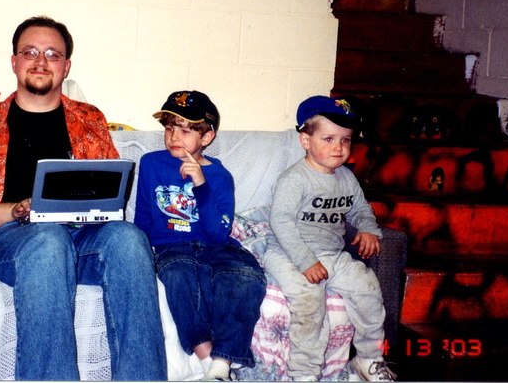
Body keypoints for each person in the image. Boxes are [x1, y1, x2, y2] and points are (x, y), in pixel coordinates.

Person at [0, 15, 167, 381]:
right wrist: (15, 211)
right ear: (14, 62)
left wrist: (90, 212)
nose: (41, 61)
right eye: (30, 52)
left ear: (65, 67)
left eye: (52, 54)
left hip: (78, 237)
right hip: (1, 242)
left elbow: (112, 199)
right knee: (47, 239)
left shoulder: (90, 120)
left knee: (128, 237)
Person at [134, 90, 266, 381]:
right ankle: (211, 363)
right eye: (169, 128)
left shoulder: (220, 176)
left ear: (206, 137)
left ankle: (223, 361)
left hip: (217, 247)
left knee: (245, 277)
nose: (173, 136)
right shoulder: (151, 163)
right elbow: (143, 216)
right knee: (178, 276)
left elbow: (218, 234)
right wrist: (141, 255)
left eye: (185, 130)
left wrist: (200, 184)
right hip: (173, 247)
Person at [263, 96, 396, 382]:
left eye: (346, 140)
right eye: (328, 138)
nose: (338, 147)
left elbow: (361, 209)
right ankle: (304, 374)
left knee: (368, 288)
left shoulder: (346, 178)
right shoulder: (295, 178)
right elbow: (281, 222)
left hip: (332, 255)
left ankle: (368, 359)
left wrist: (368, 228)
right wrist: (305, 261)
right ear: (305, 141)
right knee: (310, 301)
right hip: (289, 252)